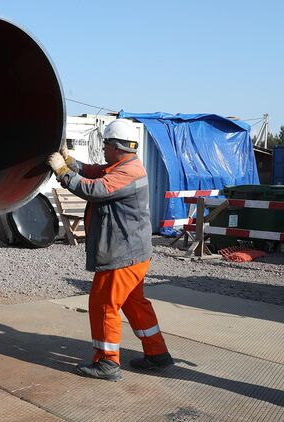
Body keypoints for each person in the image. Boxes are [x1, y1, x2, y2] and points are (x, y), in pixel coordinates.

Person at [48, 119, 173, 381]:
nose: (103, 148)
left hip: (121, 254)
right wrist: (70, 162)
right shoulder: (125, 165)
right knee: (134, 303)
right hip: (133, 253)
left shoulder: (127, 173)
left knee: (103, 304)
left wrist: (63, 173)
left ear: (116, 147)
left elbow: (95, 189)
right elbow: (95, 172)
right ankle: (157, 353)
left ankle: (107, 362)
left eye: (106, 144)